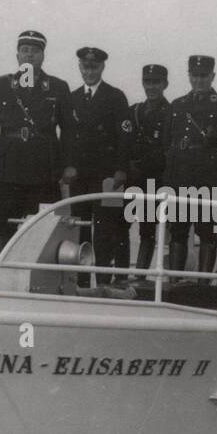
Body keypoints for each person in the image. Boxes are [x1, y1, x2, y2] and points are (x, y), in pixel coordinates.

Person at [0, 30, 76, 257]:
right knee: (5, 220)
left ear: (43, 55)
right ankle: (0, 273)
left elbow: (69, 130)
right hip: (8, 165)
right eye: (25, 50)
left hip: (44, 167)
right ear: (17, 55)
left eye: (35, 51)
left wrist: (69, 164)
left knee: (43, 222)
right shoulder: (1, 84)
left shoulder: (58, 87)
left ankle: (36, 275)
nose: (29, 56)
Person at [161, 55, 217, 277]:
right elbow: (166, 143)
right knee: (178, 231)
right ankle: (176, 280)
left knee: (207, 232)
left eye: (203, 76)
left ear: (212, 76)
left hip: (208, 177)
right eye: (194, 76)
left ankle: (203, 284)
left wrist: (215, 166)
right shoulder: (177, 105)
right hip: (179, 177)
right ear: (189, 76)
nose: (198, 80)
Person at [66, 46, 131, 283]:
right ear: (80, 67)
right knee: (80, 227)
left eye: (94, 67)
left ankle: (103, 281)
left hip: (107, 177)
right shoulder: (71, 98)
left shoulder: (115, 97)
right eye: (85, 67)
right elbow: (68, 138)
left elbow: (125, 136)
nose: (89, 71)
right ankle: (80, 281)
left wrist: (121, 169)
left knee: (107, 229)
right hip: (80, 177)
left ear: (102, 67)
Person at [123, 64, 172, 277]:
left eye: (156, 82)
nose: (151, 87)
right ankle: (121, 274)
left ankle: (140, 275)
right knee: (121, 225)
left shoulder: (172, 113)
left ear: (165, 84)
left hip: (154, 178)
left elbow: (167, 147)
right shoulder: (134, 111)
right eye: (148, 82)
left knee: (147, 230)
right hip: (132, 177)